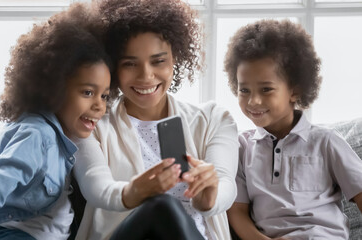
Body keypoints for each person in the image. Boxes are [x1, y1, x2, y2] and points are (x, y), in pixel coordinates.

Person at [0, 3, 112, 240]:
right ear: (55, 87)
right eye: (88, 93)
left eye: (105, 95)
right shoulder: (37, 135)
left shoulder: (64, 139)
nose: (100, 105)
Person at [72, 0, 239, 239]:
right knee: (162, 207)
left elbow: (226, 183)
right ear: (112, 67)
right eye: (130, 64)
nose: (146, 76)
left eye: (158, 61)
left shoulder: (214, 119)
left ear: (175, 60)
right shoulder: (92, 123)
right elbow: (95, 187)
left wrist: (210, 197)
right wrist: (133, 192)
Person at [224, 19, 362, 240]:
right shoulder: (240, 148)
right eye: (244, 90)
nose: (254, 101)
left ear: (295, 91)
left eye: (266, 89)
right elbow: (237, 213)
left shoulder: (325, 142)